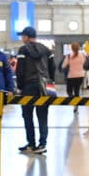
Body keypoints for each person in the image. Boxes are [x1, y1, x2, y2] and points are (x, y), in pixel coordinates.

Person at [15, 26, 55, 155]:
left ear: (27, 36)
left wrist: (20, 86)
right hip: (44, 85)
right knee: (42, 116)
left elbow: (20, 70)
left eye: (22, 36)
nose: (21, 38)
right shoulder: (46, 50)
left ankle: (31, 143)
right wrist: (49, 80)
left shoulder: (23, 50)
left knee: (27, 115)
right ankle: (42, 143)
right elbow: (52, 67)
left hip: (28, 86)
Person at [61, 42, 86, 109]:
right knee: (77, 91)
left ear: (71, 48)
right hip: (80, 76)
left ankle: (73, 101)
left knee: (69, 91)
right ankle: (76, 106)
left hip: (71, 76)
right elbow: (85, 64)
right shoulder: (83, 55)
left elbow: (63, 66)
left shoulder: (69, 55)